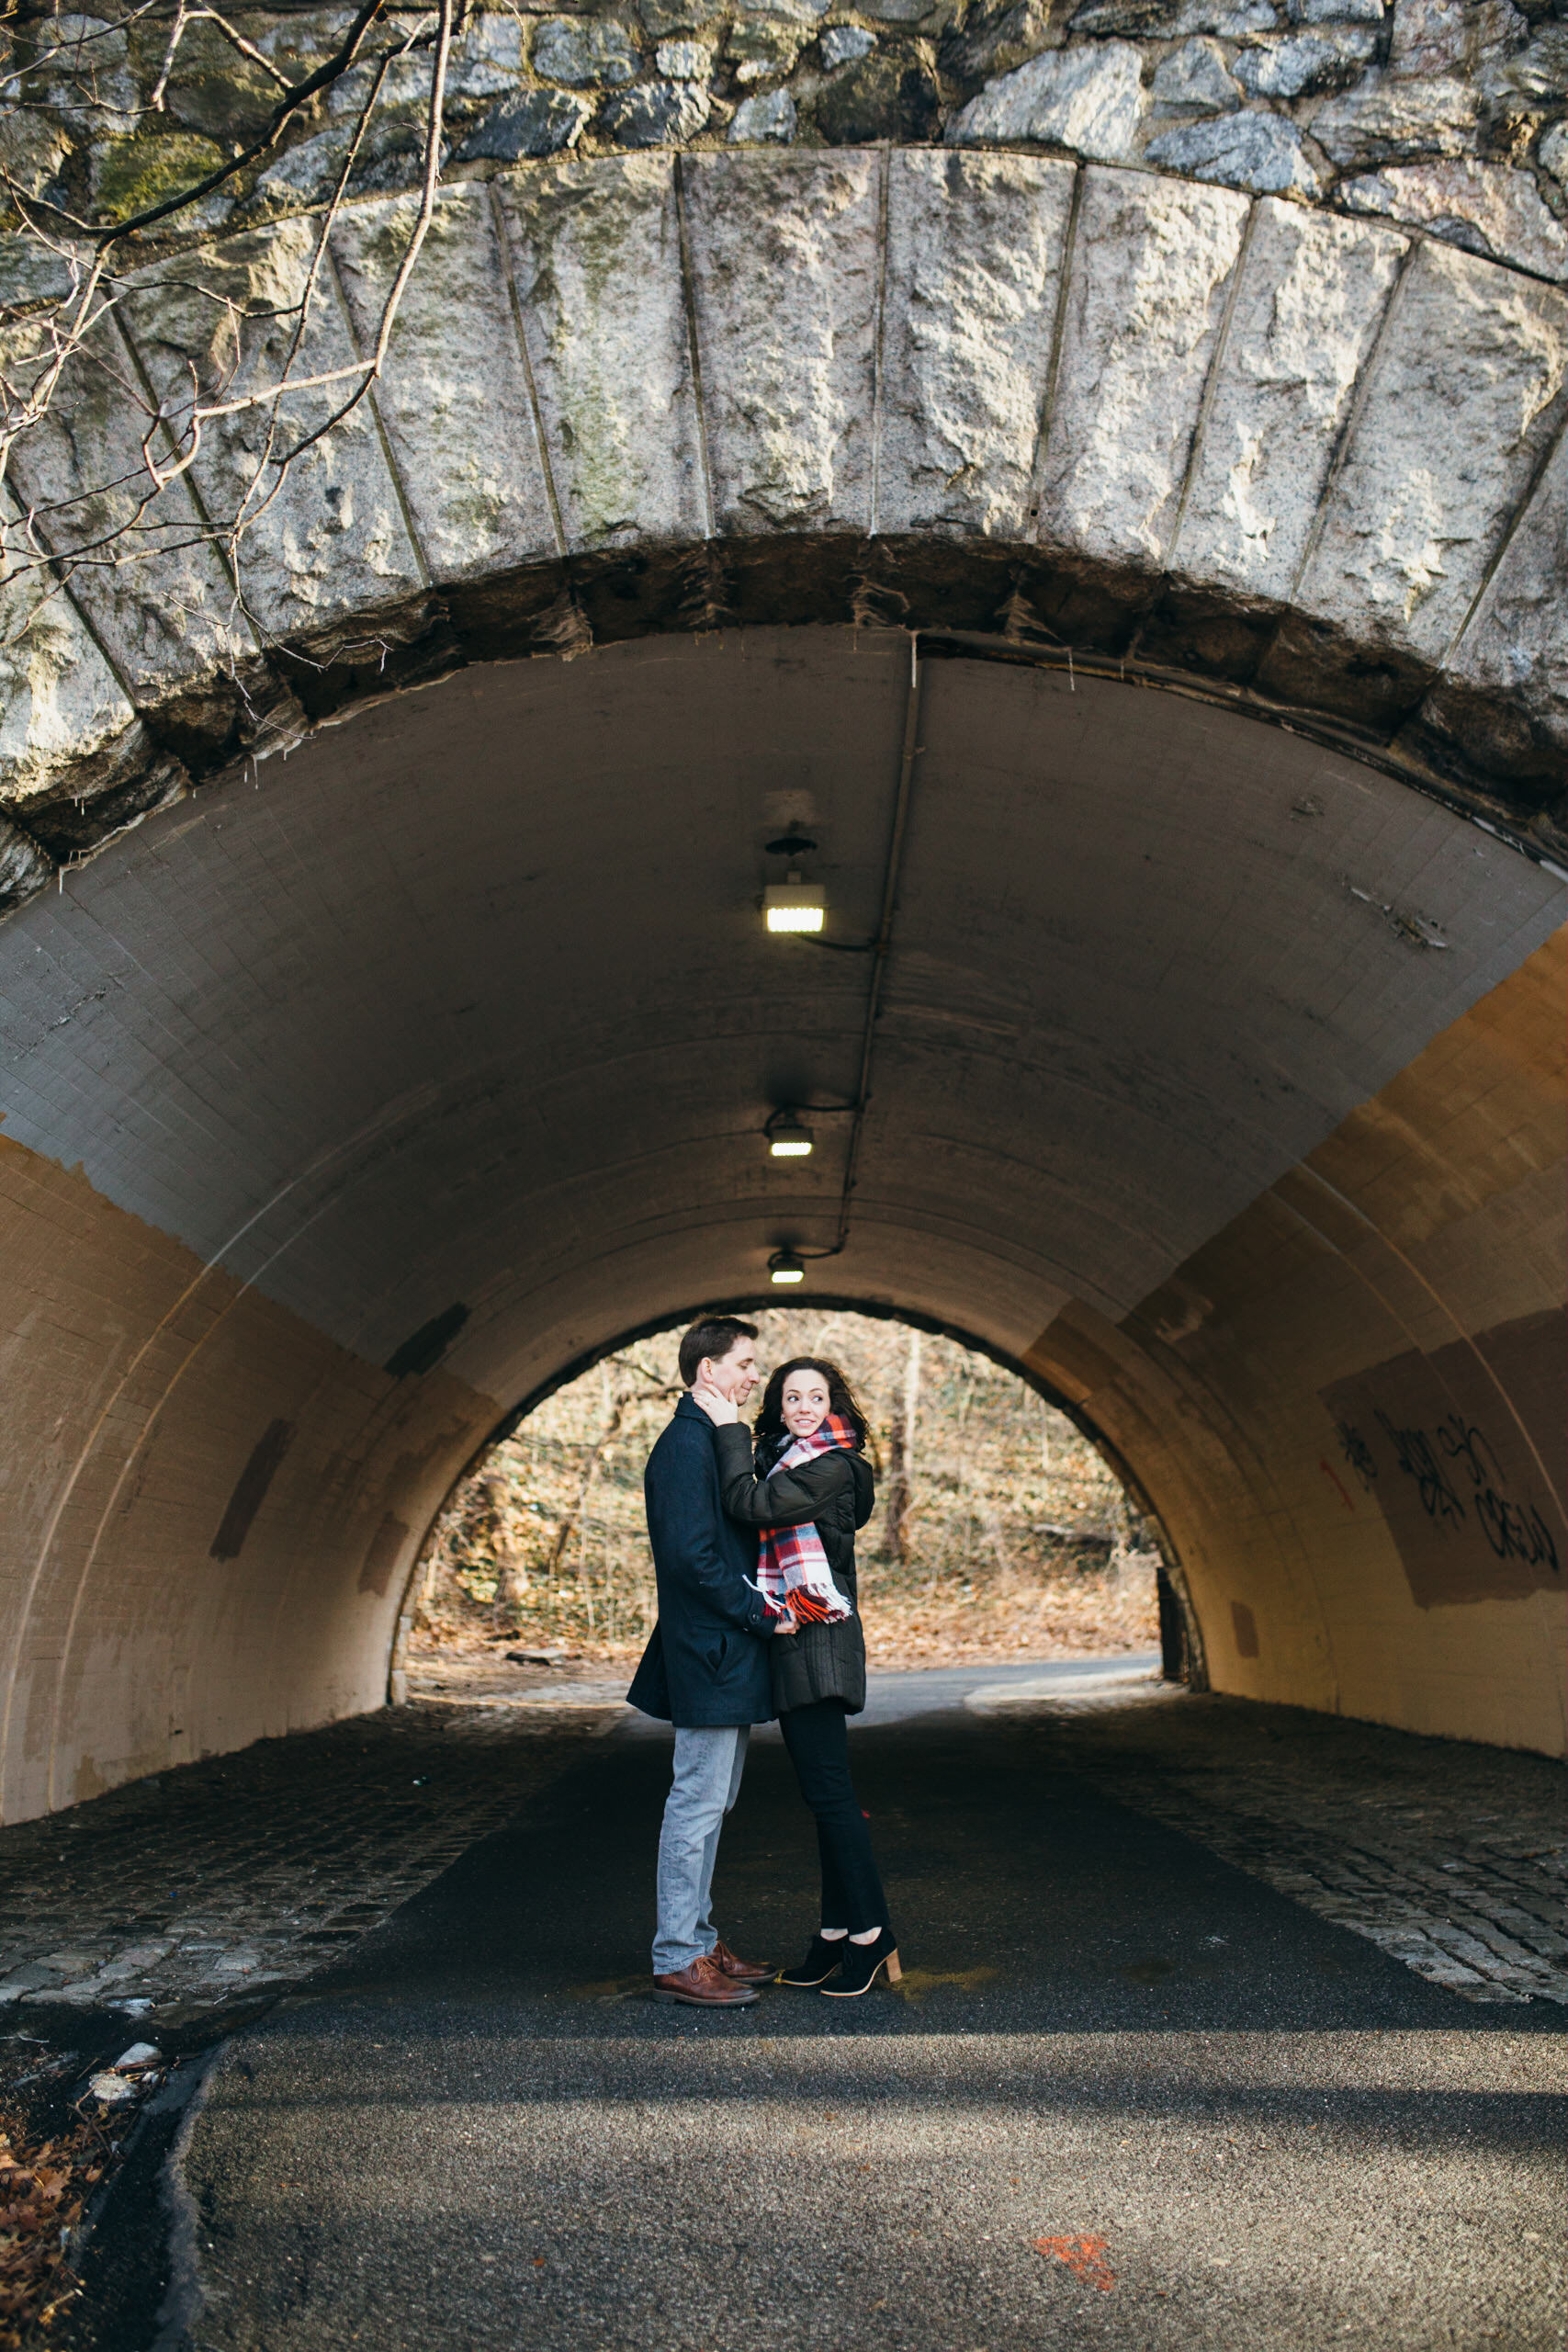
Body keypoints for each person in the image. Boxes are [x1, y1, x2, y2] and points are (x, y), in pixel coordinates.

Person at [702, 1355, 901, 1998]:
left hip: (817, 1641)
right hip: (800, 1643)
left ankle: (871, 1934)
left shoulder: (831, 1467)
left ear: (834, 1404)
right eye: (792, 1398)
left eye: (816, 1397)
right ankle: (836, 1934)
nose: (805, 1407)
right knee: (823, 1796)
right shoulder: (790, 1458)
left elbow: (748, 1502)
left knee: (830, 1794)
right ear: (781, 1408)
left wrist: (727, 1429)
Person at [626, 1315, 800, 2007]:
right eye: (746, 1363)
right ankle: (676, 1955)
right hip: (709, 1650)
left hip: (724, 1650)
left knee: (713, 1800)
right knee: (696, 1802)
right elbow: (691, 1559)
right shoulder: (682, 1446)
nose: (756, 1376)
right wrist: (762, 1613)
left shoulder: (711, 1437)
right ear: (709, 1371)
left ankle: (697, 1939)